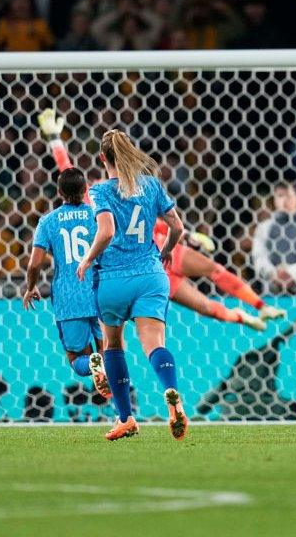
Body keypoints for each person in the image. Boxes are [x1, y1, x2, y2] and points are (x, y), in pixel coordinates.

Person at [37, 109, 281, 332]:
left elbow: (157, 222)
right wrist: (55, 139)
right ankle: (240, 316)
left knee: (213, 269)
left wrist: (189, 237)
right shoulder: (98, 200)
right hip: (152, 270)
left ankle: (261, 305)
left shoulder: (128, 190)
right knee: (206, 308)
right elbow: (66, 170)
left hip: (164, 249)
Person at [76, 130, 187, 442]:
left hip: (112, 280)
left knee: (112, 344)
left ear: (102, 159)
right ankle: (171, 392)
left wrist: (87, 258)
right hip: (150, 275)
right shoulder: (151, 185)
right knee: (153, 343)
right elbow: (178, 227)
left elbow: (107, 231)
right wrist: (165, 252)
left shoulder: (100, 191)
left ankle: (125, 418)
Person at [23, 168, 111, 399]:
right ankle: (107, 376)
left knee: (76, 359)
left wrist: (31, 287)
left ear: (59, 192)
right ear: (85, 191)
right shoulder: (98, 215)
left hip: (68, 297)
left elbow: (34, 264)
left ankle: (93, 365)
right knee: (110, 351)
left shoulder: (48, 222)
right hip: (100, 292)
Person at [251, 183, 296, 295]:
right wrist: (274, 274)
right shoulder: (264, 227)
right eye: (280, 196)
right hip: (272, 287)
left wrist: (292, 273)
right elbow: (259, 257)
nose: (284, 200)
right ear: (274, 200)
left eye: (289, 196)